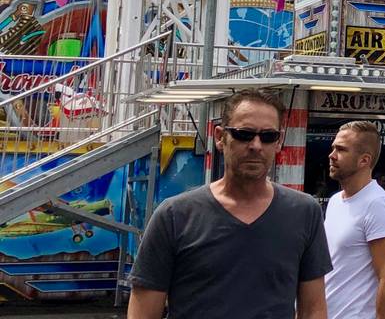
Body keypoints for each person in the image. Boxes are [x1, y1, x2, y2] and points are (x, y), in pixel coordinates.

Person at [128, 89, 330, 319]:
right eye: (244, 134)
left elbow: (313, 308)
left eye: (268, 136)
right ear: (220, 137)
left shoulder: (304, 212)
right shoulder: (175, 215)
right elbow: (143, 311)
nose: (256, 145)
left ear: (279, 141)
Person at [324, 121, 385, 319]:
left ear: (364, 160)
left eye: (341, 150)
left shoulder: (378, 205)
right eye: (333, 148)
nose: (331, 155)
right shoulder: (335, 201)